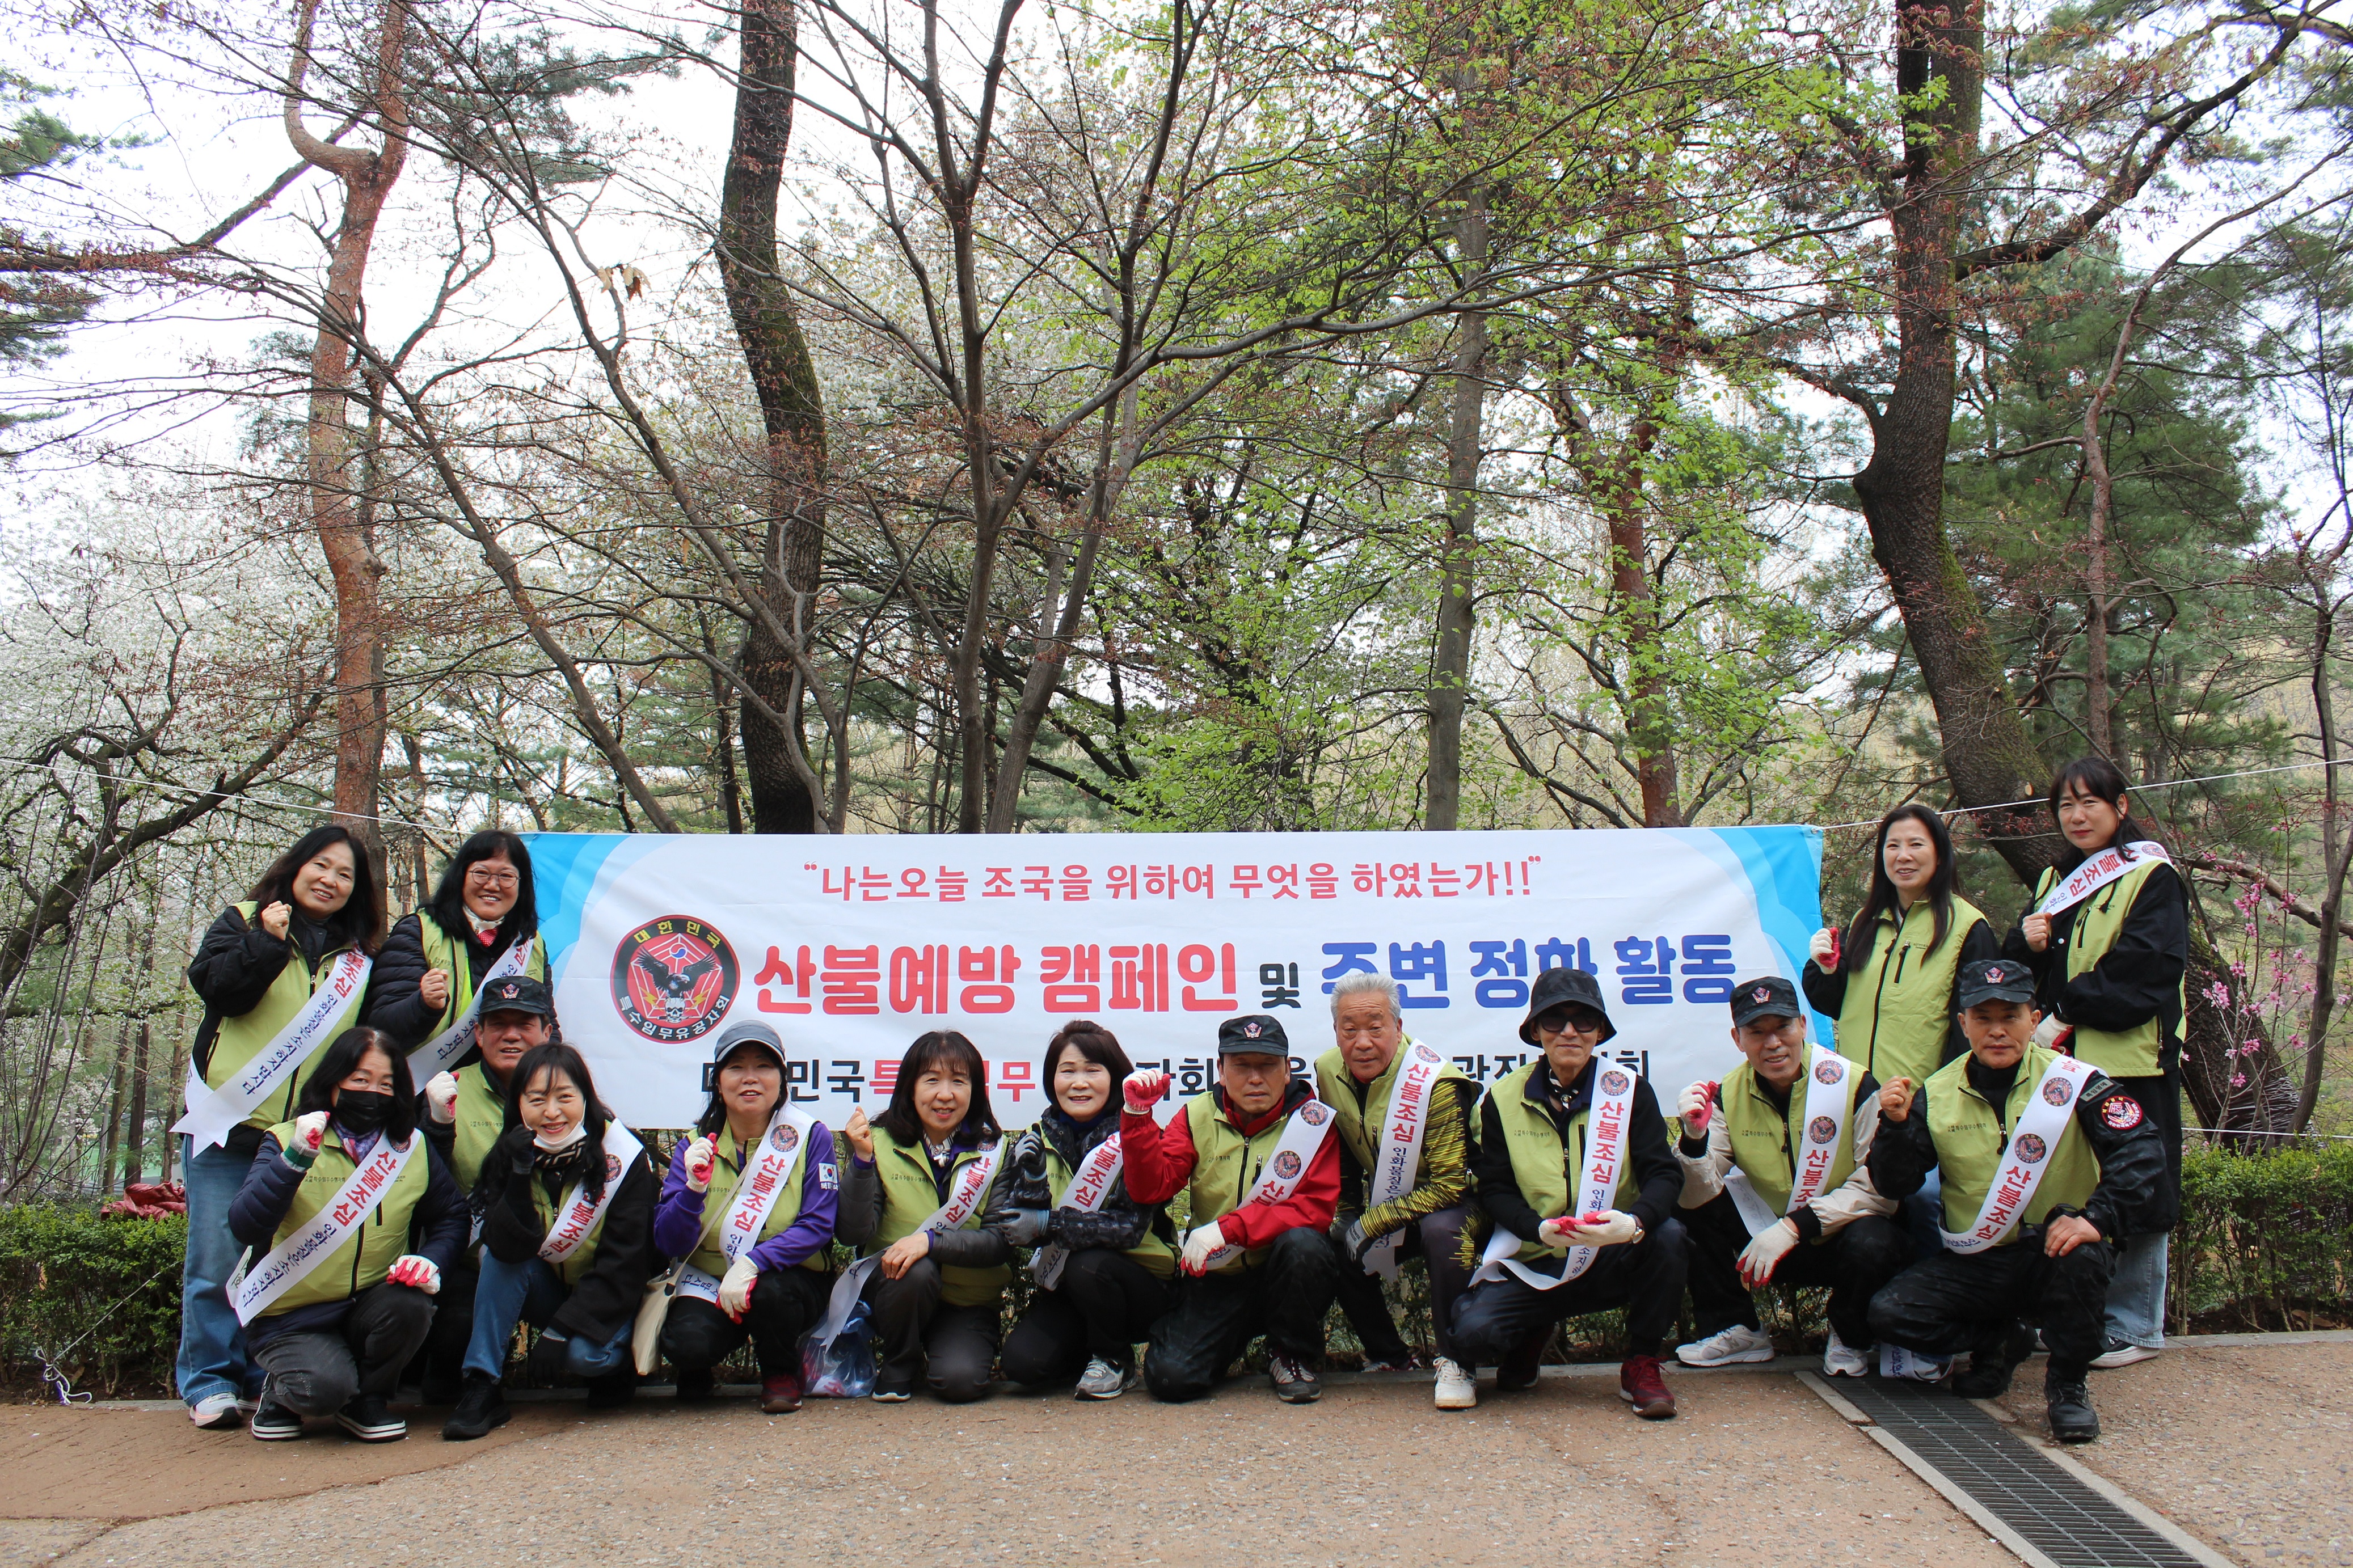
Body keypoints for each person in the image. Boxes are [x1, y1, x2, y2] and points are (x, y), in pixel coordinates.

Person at [1866, 958, 2173, 1443]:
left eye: (2010, 1016)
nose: (1997, 1031)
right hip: (1980, 1259)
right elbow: (1894, 1183)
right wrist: (1895, 1127)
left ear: (2034, 1019)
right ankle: (2000, 1341)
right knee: (1890, 1313)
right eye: (1983, 1018)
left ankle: (2068, 1384)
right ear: (1963, 1023)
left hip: (2057, 1252)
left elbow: (2141, 1148)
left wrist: (2098, 1217)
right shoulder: (1935, 1092)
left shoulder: (2076, 1081)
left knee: (2084, 1258)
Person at [178, 825, 385, 1431]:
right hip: (229, 1124)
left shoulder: (359, 960)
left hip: (301, 1137)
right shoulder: (244, 919)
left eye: (345, 874)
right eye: (321, 865)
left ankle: (258, 1372)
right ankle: (209, 1378)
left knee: (282, 1260)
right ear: (296, 867)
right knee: (216, 1258)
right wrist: (267, 943)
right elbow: (219, 990)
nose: (330, 880)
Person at [2005, 756, 2188, 1371]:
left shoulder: (2151, 875)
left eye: (2090, 802)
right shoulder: (2056, 877)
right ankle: (2074, 1313)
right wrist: (2024, 942)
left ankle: (2134, 1323)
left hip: (2131, 1059)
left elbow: (2146, 965)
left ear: (2120, 806)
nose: (2077, 815)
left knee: (2138, 1182)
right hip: (2062, 1063)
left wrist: (2067, 1010)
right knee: (2069, 1183)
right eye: (2066, 805)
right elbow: (2029, 966)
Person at [1450, 968, 1686, 1419]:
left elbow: (1664, 1174)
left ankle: (1642, 1362)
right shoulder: (1502, 1097)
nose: (1570, 1032)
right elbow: (1495, 1187)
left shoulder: (1631, 1091)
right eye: (1555, 1020)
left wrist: (1634, 1222)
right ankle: (1535, 1328)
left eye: (1585, 1020)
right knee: (1474, 1336)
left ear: (1600, 1031)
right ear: (1536, 1031)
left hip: (1611, 1253)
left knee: (1670, 1236)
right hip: (1535, 1259)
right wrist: (1536, 1227)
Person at [224, 1027, 466, 1443]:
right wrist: (294, 1160)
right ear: (333, 1081)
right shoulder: (285, 1139)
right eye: (360, 1079)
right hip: (291, 1315)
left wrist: (431, 1260)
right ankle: (281, 1393)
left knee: (413, 1304)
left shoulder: (412, 1147)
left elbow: (451, 1217)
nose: (373, 1092)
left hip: (370, 1304)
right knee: (322, 1390)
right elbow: (246, 1225)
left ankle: (368, 1399)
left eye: (386, 1084)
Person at [1669, 976, 1907, 1377]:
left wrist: (1794, 1227)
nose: (1773, 1043)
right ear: (1737, 1039)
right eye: (1756, 1032)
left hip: (1839, 1236)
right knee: (1684, 1209)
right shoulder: (1727, 1094)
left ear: (1802, 1024)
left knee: (1876, 1239)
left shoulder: (1854, 1084)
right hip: (1767, 1242)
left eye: (1782, 1027)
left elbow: (1881, 1188)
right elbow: (1697, 1193)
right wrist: (1694, 1140)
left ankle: (1850, 1333)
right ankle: (1738, 1329)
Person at [442, 1041, 659, 1440]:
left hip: (612, 1298)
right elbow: (507, 1248)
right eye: (537, 1099)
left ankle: (618, 1366)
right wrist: (519, 1174)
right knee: (496, 1258)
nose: (552, 1112)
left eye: (564, 1097)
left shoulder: (623, 1157)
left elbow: (625, 1264)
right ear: (519, 1104)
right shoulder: (511, 1151)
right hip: (550, 1291)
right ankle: (482, 1385)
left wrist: (558, 1332)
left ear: (585, 1099)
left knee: (587, 1357)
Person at [1123, 1015, 1344, 1405]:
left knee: (1305, 1246)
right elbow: (1152, 1188)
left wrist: (1228, 1228)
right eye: (1242, 1066)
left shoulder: (1312, 1122)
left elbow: (1314, 1209)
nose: (1255, 1078)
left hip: (1282, 1271)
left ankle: (1290, 1353)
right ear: (1222, 1071)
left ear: (1287, 1070)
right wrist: (1138, 1117)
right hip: (1219, 1277)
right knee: (1171, 1379)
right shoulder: (1196, 1116)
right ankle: (1228, 1338)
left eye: (1268, 1065)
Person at [652, 1021, 840, 1413]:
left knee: (771, 1295)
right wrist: (693, 1190)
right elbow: (669, 1241)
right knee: (688, 1344)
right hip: (709, 1280)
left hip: (787, 1278)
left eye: (764, 1067)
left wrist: (753, 1263)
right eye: (736, 1067)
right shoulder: (694, 1145)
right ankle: (699, 1366)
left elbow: (819, 1225)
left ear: (782, 1080)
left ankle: (780, 1372)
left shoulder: (810, 1137)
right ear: (718, 1083)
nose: (750, 1078)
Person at [1312, 973, 1480, 1409]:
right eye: (1350, 1029)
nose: (1363, 1042)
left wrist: (1373, 1220)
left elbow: (1450, 1185)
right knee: (1335, 1242)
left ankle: (1457, 1361)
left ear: (1399, 1027)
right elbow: (1343, 1144)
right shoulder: (1328, 1070)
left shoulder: (1437, 1082)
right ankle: (1390, 1356)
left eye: (1375, 1027)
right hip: (1396, 1201)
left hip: (1463, 1202)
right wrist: (1348, 1212)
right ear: (1336, 1031)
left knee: (1442, 1232)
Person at [994, 1021, 1177, 1399]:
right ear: (1052, 1079)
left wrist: (1047, 1223)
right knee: (1023, 1364)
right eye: (1068, 1071)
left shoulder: (1138, 1134)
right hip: (1070, 1288)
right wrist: (1032, 1184)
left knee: (1088, 1263)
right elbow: (1018, 1229)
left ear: (1116, 1077)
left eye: (1093, 1070)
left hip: (1141, 1284)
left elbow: (1128, 1228)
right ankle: (1090, 1351)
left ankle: (1115, 1359)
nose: (1079, 1083)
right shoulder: (1037, 1136)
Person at [837, 1030, 1012, 1404]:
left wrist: (930, 1242)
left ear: (976, 1090)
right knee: (916, 1270)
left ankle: (947, 1350)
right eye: (932, 1080)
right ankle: (899, 1362)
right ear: (910, 1087)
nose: (945, 1094)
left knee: (960, 1383)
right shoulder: (877, 1141)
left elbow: (998, 1243)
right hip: (898, 1290)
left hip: (967, 1300)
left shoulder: (997, 1151)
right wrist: (862, 1162)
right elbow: (853, 1232)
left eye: (959, 1081)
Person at [409, 973, 560, 1400]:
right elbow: (421, 1191)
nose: (511, 1035)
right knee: (444, 1371)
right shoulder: (448, 1091)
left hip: (556, 1263)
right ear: (478, 1034)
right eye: (498, 1024)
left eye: (524, 1024)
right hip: (474, 1262)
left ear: (547, 1032)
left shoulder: (570, 1089)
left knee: (597, 1362)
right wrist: (437, 1127)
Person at [365, 830, 546, 1052]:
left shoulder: (531, 942)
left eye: (506, 876)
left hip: (509, 1072)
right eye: (481, 873)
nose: (492, 885)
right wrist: (424, 1005)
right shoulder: (418, 931)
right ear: (461, 876)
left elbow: (547, 1024)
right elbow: (381, 1029)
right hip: (429, 1072)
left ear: (522, 885)